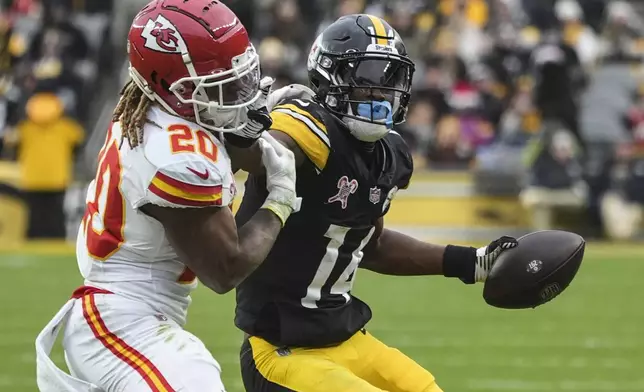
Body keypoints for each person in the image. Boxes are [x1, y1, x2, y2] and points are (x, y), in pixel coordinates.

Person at [233, 14, 517, 392]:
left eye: (391, 80)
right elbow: (264, 154)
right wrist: (250, 131)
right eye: (368, 79)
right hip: (282, 348)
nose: (382, 93)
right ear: (330, 77)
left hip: (345, 339)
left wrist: (471, 262)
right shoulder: (307, 127)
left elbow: (373, 245)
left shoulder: (390, 155)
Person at [35, 1, 300, 391]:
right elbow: (225, 268)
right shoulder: (173, 155)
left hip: (127, 311)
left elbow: (227, 154)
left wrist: (254, 132)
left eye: (239, 77)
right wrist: (279, 199)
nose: (236, 94)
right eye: (220, 83)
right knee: (194, 378)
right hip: (120, 320)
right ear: (171, 85)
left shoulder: (154, 108)